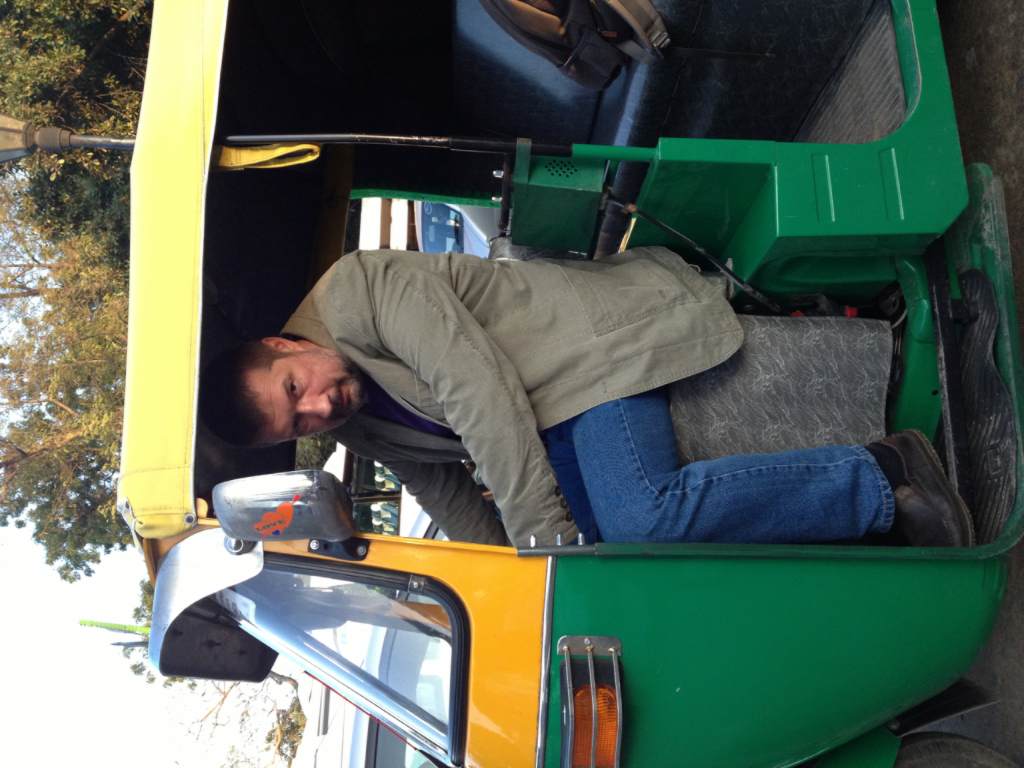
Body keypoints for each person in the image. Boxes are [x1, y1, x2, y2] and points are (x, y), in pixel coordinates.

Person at [200, 247, 974, 549]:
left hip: (594, 351)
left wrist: (541, 534)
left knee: (641, 515)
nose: (317, 410)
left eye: (295, 390)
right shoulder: (355, 425)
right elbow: (443, 490)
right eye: (297, 423)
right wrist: (514, 573)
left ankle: (884, 477)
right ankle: (845, 539)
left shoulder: (358, 290)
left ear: (283, 344)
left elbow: (475, 386)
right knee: (608, 557)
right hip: (558, 419)